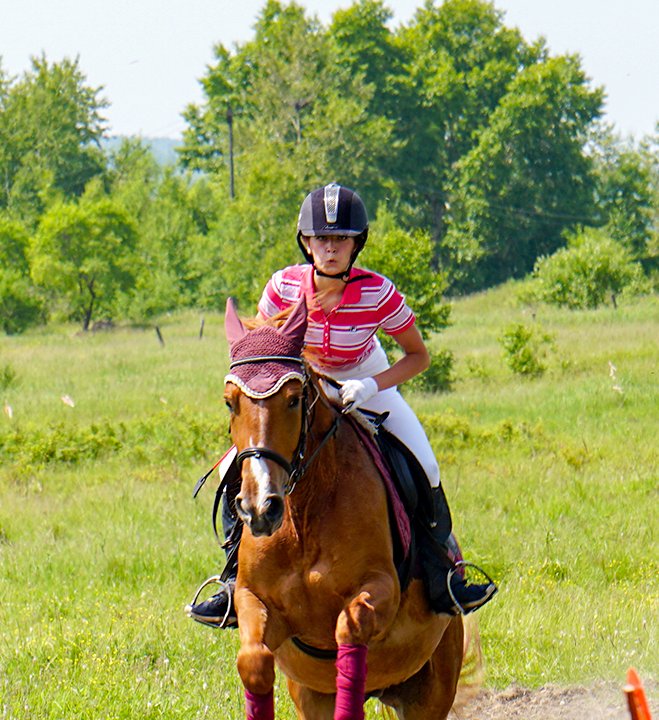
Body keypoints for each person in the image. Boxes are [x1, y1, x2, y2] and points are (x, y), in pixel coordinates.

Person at [187, 182, 497, 627]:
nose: (330, 249)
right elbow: (264, 353)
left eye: (341, 239)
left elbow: (418, 356)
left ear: (356, 244)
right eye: (321, 239)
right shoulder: (282, 286)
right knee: (231, 470)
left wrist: (370, 385)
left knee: (425, 464)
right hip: (301, 389)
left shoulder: (378, 292)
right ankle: (233, 580)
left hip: (366, 379)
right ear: (306, 242)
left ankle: (441, 573)